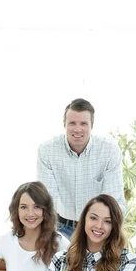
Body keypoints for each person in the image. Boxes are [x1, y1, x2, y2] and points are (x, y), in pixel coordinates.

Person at [37, 98, 125, 239]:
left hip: (97, 229)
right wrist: (47, 235)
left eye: (84, 123)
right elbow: (47, 199)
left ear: (92, 125)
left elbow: (113, 200)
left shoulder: (109, 151)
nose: (78, 129)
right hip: (62, 228)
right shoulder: (47, 151)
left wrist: (108, 235)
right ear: (64, 124)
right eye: (72, 123)